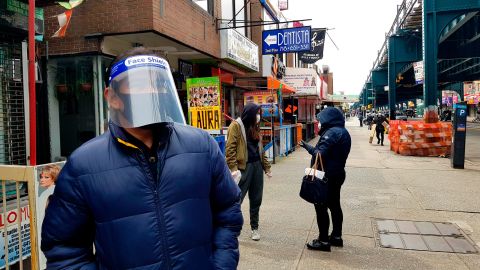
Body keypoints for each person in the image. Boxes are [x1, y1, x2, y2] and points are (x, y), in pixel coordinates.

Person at [41, 47, 243, 269]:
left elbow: (228, 210)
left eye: (158, 82)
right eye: (139, 83)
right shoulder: (83, 165)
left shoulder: (202, 147)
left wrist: (221, 265)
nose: (152, 90)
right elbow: (64, 250)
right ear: (112, 97)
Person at [299, 107, 351, 252]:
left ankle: (323, 240)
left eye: (322, 120)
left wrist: (310, 148)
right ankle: (336, 236)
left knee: (320, 207)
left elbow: (319, 154)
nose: (319, 123)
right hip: (338, 174)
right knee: (334, 205)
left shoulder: (332, 133)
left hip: (325, 177)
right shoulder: (343, 132)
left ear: (329, 119)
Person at [226, 103, 272, 241]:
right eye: (256, 113)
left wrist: (267, 167)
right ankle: (232, 229)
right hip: (243, 168)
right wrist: (233, 169)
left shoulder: (255, 126)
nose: (258, 116)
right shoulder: (236, 126)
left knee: (256, 199)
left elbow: (261, 149)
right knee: (236, 200)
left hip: (257, 166)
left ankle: (254, 228)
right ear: (250, 114)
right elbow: (230, 149)